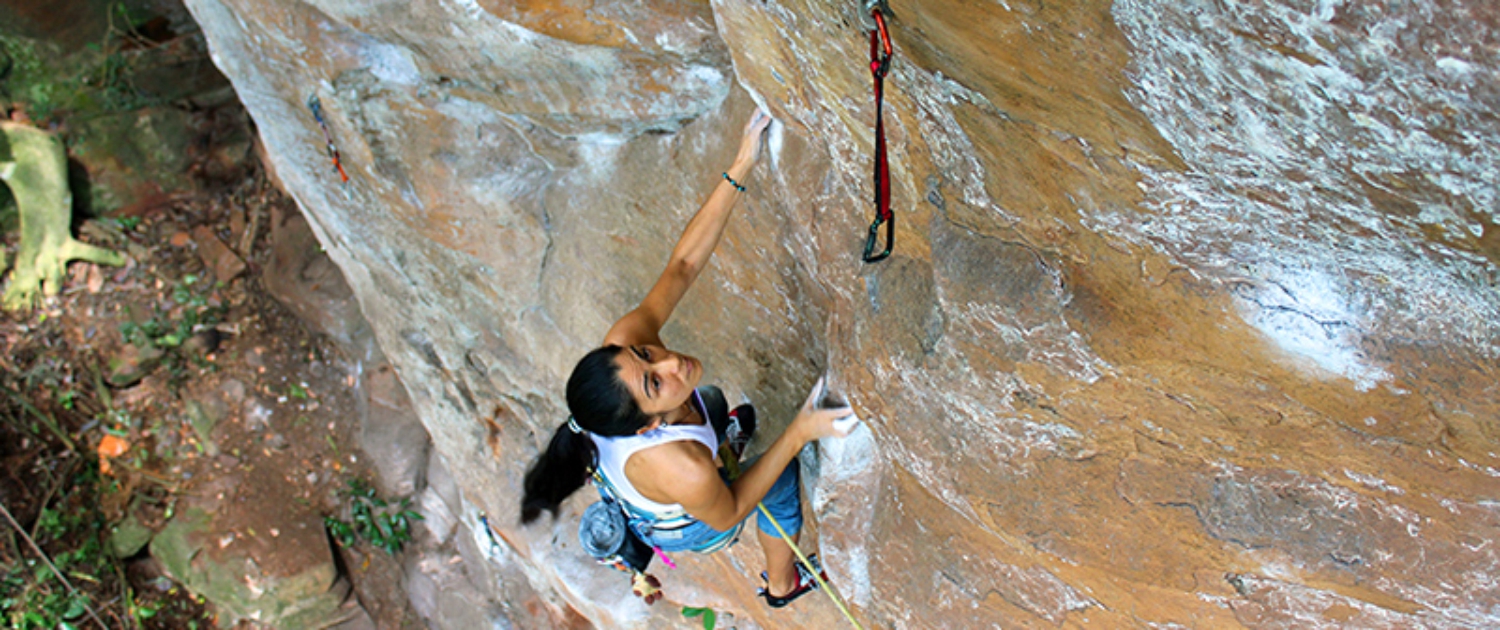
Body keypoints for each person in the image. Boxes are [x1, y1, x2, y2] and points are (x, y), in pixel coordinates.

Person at [519, 108, 854, 608]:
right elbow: (731, 509)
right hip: (691, 525)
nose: (672, 363)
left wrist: (742, 163)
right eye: (655, 384)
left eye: (646, 355)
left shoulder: (622, 349)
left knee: (713, 402)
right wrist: (802, 430)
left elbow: (683, 266)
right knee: (779, 477)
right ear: (645, 429)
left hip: (671, 472)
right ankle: (782, 586)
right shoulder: (683, 468)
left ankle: (724, 443)